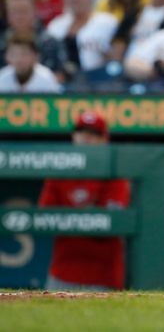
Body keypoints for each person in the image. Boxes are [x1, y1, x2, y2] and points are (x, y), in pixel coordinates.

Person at [38, 111, 129, 291]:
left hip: (103, 277)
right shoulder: (59, 172)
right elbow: (45, 217)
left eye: (94, 133)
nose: (86, 137)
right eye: (81, 131)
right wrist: (87, 215)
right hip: (62, 272)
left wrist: (69, 218)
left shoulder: (116, 174)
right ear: (73, 136)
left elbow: (109, 225)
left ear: (105, 140)